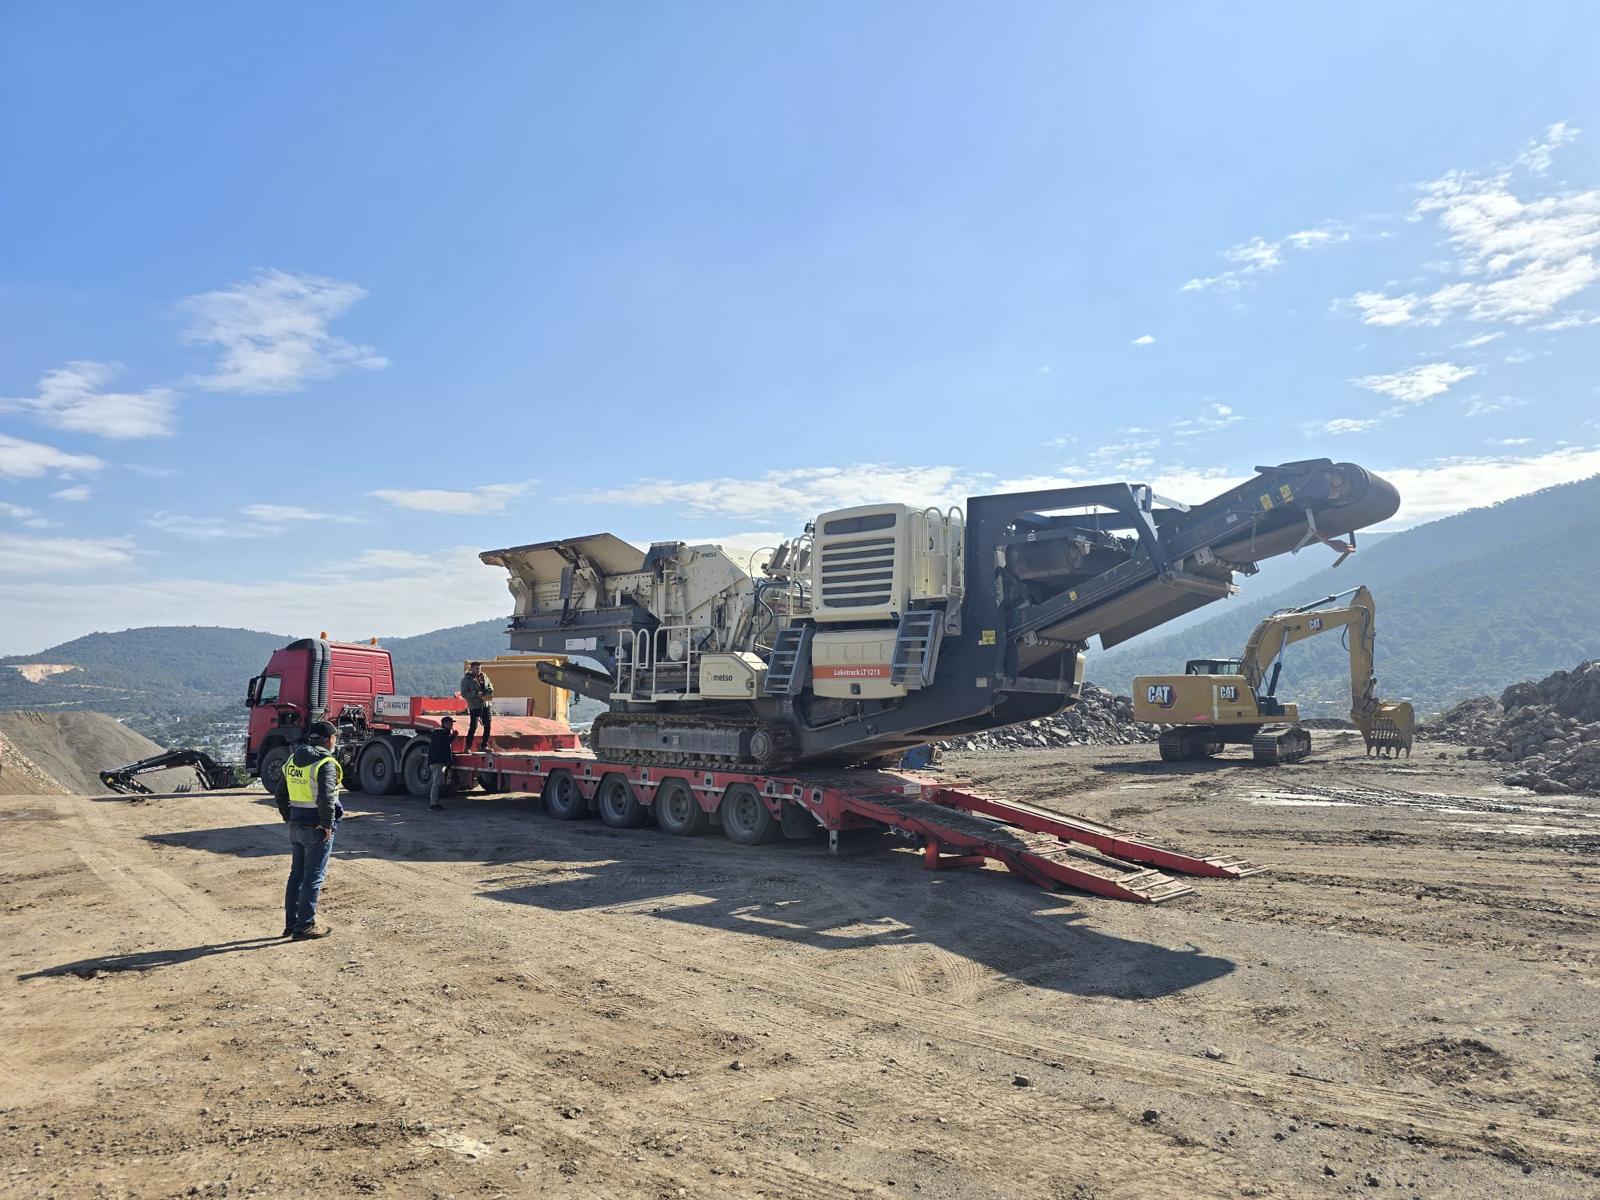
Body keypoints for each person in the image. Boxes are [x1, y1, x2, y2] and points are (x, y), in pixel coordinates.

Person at [278, 720, 344, 940]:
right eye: (335, 737)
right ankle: (305, 925)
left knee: (296, 875)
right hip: (316, 827)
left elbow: (280, 793)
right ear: (329, 739)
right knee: (313, 877)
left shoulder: (292, 760)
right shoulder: (324, 763)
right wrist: (327, 825)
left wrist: (290, 817)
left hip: (297, 825)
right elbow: (326, 797)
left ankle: (292, 924)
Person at [460, 661, 495, 751]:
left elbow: (490, 685)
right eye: (476, 668)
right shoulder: (466, 680)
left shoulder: (484, 676)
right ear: (471, 668)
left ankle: (484, 746)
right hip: (474, 705)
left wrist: (490, 690)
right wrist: (475, 694)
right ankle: (468, 746)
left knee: (487, 725)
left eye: (479, 668)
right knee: (473, 726)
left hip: (485, 704)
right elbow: (464, 694)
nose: (478, 670)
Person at [427, 715, 456, 810]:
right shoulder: (441, 733)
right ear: (445, 724)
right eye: (450, 723)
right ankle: (433, 804)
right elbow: (445, 744)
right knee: (436, 783)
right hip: (437, 762)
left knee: (436, 782)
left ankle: (435, 803)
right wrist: (454, 736)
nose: (452, 725)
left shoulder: (440, 732)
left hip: (436, 761)